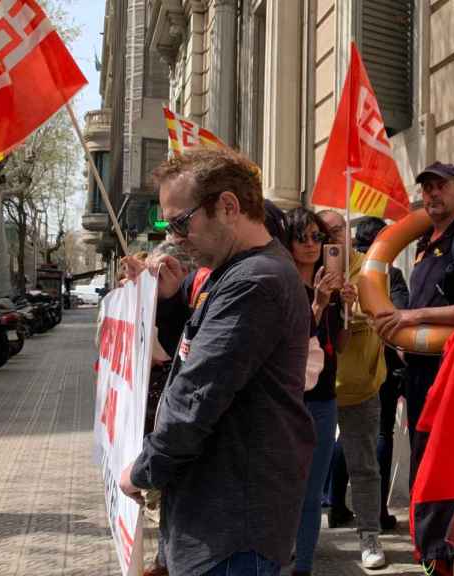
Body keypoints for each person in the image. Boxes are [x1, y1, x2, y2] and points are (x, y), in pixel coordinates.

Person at [117, 148, 314, 576]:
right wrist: (170, 305)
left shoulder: (255, 282)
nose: (173, 238)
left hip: (232, 527)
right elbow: (192, 359)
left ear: (227, 206)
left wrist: (145, 470)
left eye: (180, 223)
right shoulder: (231, 273)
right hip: (212, 515)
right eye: (167, 227)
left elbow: (196, 394)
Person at [372, 161, 454, 576]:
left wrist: (411, 318)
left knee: (448, 471)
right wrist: (403, 334)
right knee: (425, 469)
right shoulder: (424, 240)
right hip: (422, 375)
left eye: (441, 186)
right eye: (426, 188)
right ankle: (432, 558)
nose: (433, 194)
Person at [281, 207, 361, 575]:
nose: (311, 245)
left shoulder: (329, 281)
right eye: (303, 237)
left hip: (324, 399)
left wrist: (346, 307)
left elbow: (340, 345)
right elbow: (290, 343)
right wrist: (318, 304)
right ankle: (281, 553)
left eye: (318, 237)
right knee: (284, 488)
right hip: (287, 400)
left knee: (313, 490)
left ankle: (305, 566)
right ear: (289, 242)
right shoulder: (280, 284)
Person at [314, 209, 388, 568]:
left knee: (364, 467)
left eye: (337, 230)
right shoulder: (309, 269)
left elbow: (385, 312)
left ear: (349, 231)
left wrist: (353, 304)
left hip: (359, 384)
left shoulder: (371, 267)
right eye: (323, 233)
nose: (331, 238)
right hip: (315, 388)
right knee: (307, 467)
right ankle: (303, 534)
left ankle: (369, 536)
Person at [329, 215, 409, 531]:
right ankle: (363, 511)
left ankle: (349, 513)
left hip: (359, 374)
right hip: (346, 375)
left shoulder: (373, 273)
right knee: (376, 437)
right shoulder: (313, 273)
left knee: (354, 444)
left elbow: (392, 313)